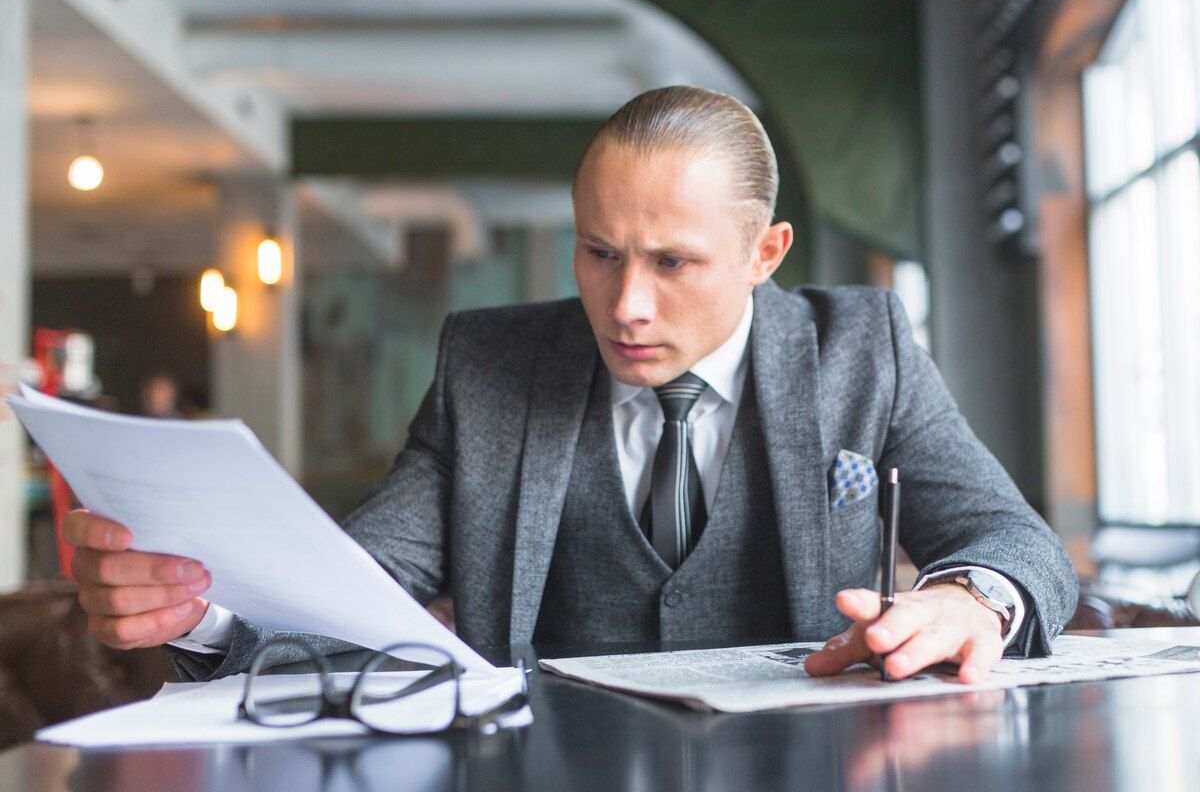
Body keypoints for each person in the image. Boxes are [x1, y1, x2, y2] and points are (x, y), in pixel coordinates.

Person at [62, 86, 1077, 685]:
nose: (625, 304)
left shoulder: (866, 346)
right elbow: (355, 592)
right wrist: (195, 610)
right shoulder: (487, 366)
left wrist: (970, 600)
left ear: (765, 251)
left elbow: (1017, 539)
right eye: (598, 252)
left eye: (672, 262)